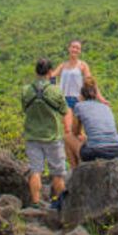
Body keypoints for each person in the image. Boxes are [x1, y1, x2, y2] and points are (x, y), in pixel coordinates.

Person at [22, 57, 69, 208]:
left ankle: (35, 202)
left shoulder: (26, 90)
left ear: (36, 72)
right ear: (50, 72)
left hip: (32, 136)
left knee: (35, 170)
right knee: (57, 172)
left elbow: (25, 109)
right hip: (52, 137)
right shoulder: (55, 91)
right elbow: (64, 111)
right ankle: (60, 204)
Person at [51, 40, 108, 166]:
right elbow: (51, 76)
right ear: (69, 48)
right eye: (73, 47)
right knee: (67, 131)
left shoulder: (82, 65)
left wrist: (101, 98)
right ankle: (74, 165)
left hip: (79, 101)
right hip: (64, 100)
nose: (75, 50)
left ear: (80, 51)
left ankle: (83, 160)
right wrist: (53, 90)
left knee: (77, 133)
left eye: (77, 48)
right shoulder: (63, 65)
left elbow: (91, 83)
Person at [72, 76, 118, 162]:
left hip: (96, 152)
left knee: (67, 137)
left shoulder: (79, 106)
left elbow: (75, 132)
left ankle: (76, 172)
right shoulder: (106, 107)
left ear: (81, 94)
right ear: (96, 95)